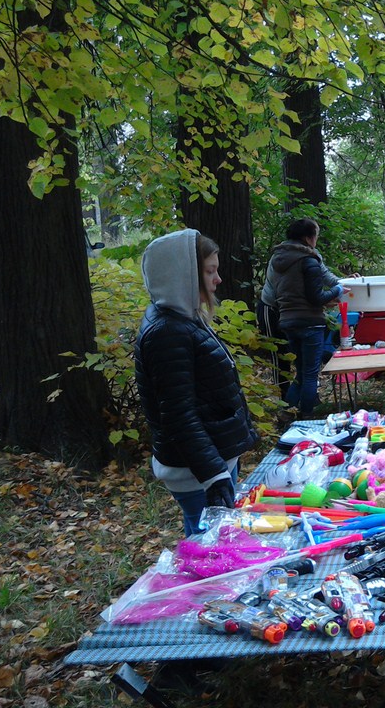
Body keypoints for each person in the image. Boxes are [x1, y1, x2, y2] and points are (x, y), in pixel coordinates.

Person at [135, 229, 260, 537]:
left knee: (215, 545)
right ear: (184, 275)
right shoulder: (167, 332)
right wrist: (214, 476)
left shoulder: (183, 318)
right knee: (209, 555)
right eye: (210, 271)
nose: (218, 279)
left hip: (211, 462)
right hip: (198, 472)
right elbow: (179, 415)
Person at [261, 218, 346, 417]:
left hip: (288, 321)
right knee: (309, 375)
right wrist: (338, 290)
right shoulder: (308, 261)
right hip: (310, 323)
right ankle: (306, 416)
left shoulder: (279, 259)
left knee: (300, 373)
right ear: (308, 238)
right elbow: (317, 298)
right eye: (316, 235)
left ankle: (287, 413)